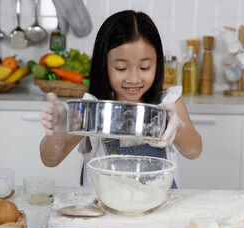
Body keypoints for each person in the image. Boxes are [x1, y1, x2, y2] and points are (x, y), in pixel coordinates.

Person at [39, 10, 202, 188]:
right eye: (121, 68)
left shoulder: (169, 103)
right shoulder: (92, 108)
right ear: (103, 65)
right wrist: (56, 136)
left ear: (157, 63)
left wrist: (175, 127)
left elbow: (194, 150)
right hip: (105, 213)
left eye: (145, 67)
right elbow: (51, 160)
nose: (134, 78)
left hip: (158, 211)